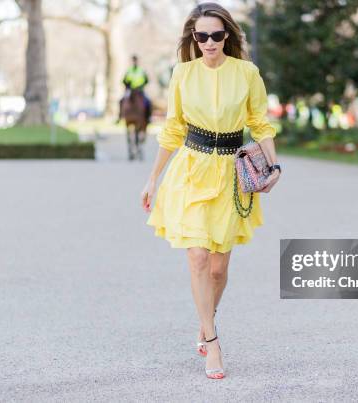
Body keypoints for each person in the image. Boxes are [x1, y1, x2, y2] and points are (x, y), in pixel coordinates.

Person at [140, 2, 281, 380]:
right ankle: (213, 342)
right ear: (193, 38)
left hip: (231, 172)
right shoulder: (182, 74)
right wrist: (153, 177)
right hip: (192, 168)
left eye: (216, 35)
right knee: (199, 258)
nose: (209, 42)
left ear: (228, 36)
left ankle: (205, 320)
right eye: (201, 36)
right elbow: (172, 130)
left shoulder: (247, 72)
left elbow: (259, 123)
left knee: (219, 268)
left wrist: (274, 164)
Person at [122, 55, 152, 123]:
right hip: (130, 90)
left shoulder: (141, 70)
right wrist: (128, 85)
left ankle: (148, 117)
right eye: (133, 61)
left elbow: (146, 80)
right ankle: (120, 116)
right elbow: (124, 81)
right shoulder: (128, 70)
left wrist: (141, 86)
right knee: (121, 100)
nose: (134, 62)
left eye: (135, 61)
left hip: (140, 90)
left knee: (148, 101)